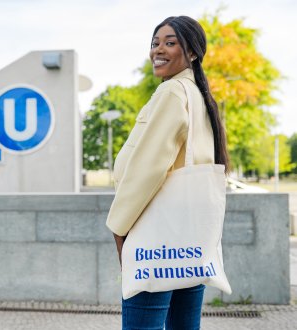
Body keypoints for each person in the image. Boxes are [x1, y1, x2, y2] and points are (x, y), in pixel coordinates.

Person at [106, 15, 229, 330]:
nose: (157, 50)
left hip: (155, 235)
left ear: (191, 53)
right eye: (155, 42)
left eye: (170, 43)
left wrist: (119, 228)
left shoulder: (172, 92)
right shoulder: (199, 95)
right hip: (189, 237)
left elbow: (148, 169)